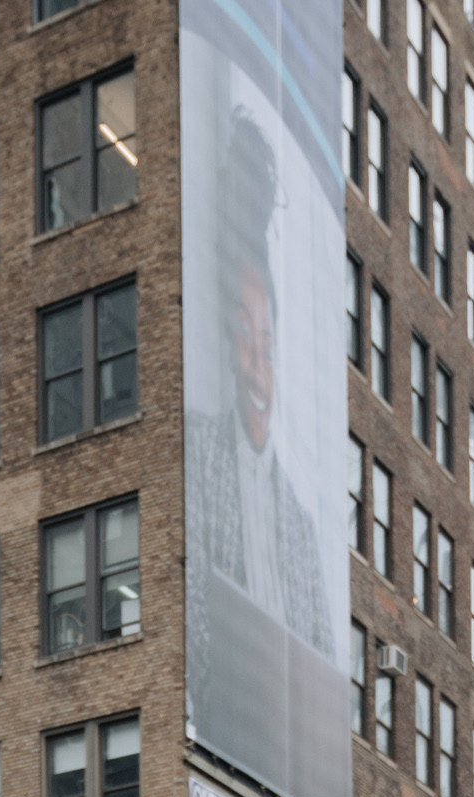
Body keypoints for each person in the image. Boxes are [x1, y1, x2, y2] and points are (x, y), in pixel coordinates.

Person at [183, 107, 335, 660]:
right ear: (227, 342)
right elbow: (190, 628)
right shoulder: (196, 453)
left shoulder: (301, 527)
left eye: (267, 347)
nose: (256, 367)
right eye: (245, 339)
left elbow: (323, 682)